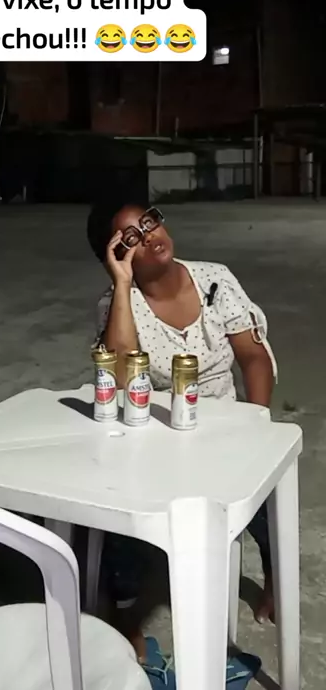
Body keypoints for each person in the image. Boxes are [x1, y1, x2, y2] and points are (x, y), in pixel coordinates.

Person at [87, 197, 277, 662]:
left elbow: (253, 357)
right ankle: (126, 616)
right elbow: (123, 378)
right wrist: (123, 285)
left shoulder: (215, 279)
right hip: (153, 431)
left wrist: (255, 424)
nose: (150, 237)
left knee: (265, 498)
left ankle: (276, 578)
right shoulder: (115, 303)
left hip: (225, 422)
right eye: (131, 238)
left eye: (149, 223)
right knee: (119, 515)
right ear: (116, 256)